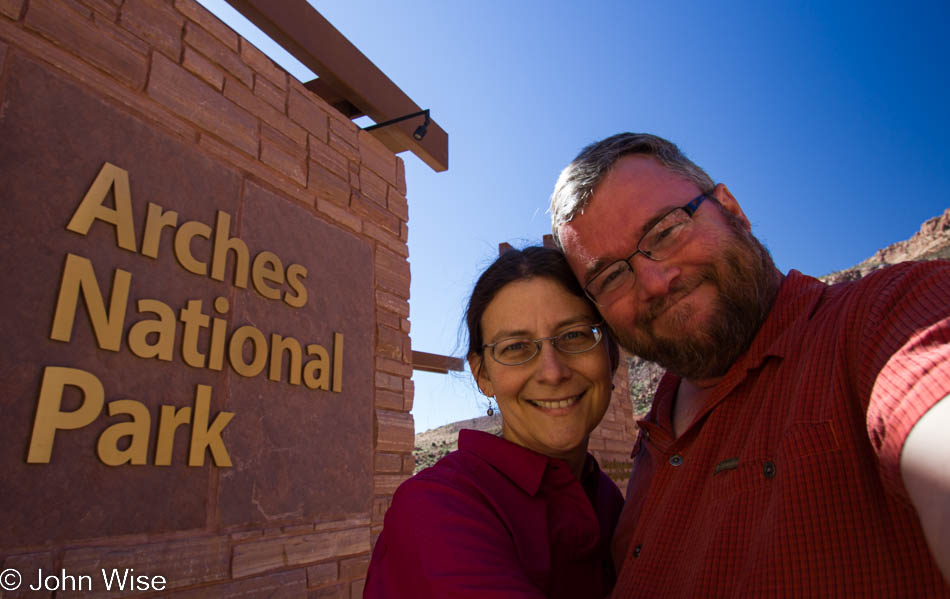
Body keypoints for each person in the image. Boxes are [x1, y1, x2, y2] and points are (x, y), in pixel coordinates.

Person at [549, 133, 950, 598]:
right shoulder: (650, 442)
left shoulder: (884, 317)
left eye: (665, 231)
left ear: (732, 209)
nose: (655, 283)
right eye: (611, 276)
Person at [364, 246, 624, 598]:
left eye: (575, 335)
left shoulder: (613, 501)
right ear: (482, 375)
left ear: (611, 352)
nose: (552, 372)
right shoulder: (437, 508)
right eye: (515, 347)